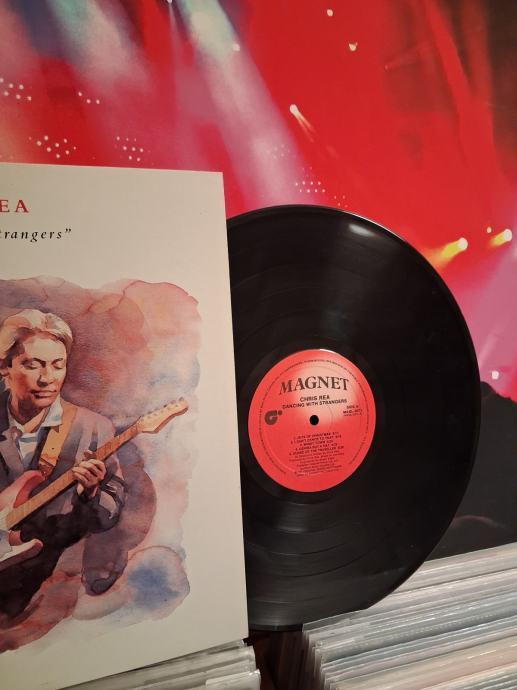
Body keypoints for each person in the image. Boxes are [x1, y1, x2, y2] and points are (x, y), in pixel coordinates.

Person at [0, 309, 125, 618]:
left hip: (49, 592)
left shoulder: (93, 429)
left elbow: (109, 515)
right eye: (32, 365)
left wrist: (90, 494)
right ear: (4, 367)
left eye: (57, 365)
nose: (47, 379)